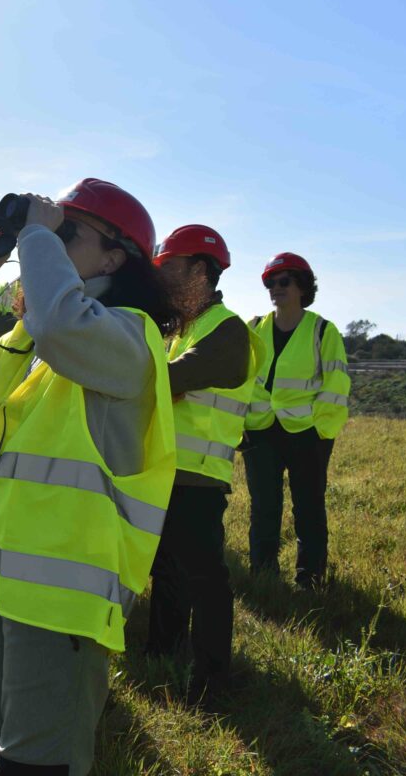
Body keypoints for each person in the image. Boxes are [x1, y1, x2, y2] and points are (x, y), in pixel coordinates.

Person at [0, 179, 182, 775]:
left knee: (37, 764)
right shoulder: (32, 342)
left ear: (115, 258)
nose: (49, 240)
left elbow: (66, 324)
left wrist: (36, 231)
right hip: (1, 586)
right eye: (51, 231)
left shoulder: (127, 340)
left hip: (61, 606)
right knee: (1, 747)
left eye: (69, 232)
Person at [146, 225, 265, 702]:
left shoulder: (228, 330)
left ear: (201, 271)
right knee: (167, 569)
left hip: (199, 477)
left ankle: (212, 677)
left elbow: (170, 381)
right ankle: (161, 651)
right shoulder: (184, 326)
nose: (163, 280)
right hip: (167, 470)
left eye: (170, 268)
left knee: (205, 578)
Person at [243, 252, 349, 590]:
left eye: (284, 281)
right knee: (263, 508)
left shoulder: (322, 330)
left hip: (308, 434)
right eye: (270, 283)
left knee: (309, 509)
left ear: (302, 286)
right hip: (260, 430)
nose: (276, 288)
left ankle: (310, 579)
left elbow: (336, 385)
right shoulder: (253, 328)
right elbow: (241, 379)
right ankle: (263, 574)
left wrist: (320, 430)